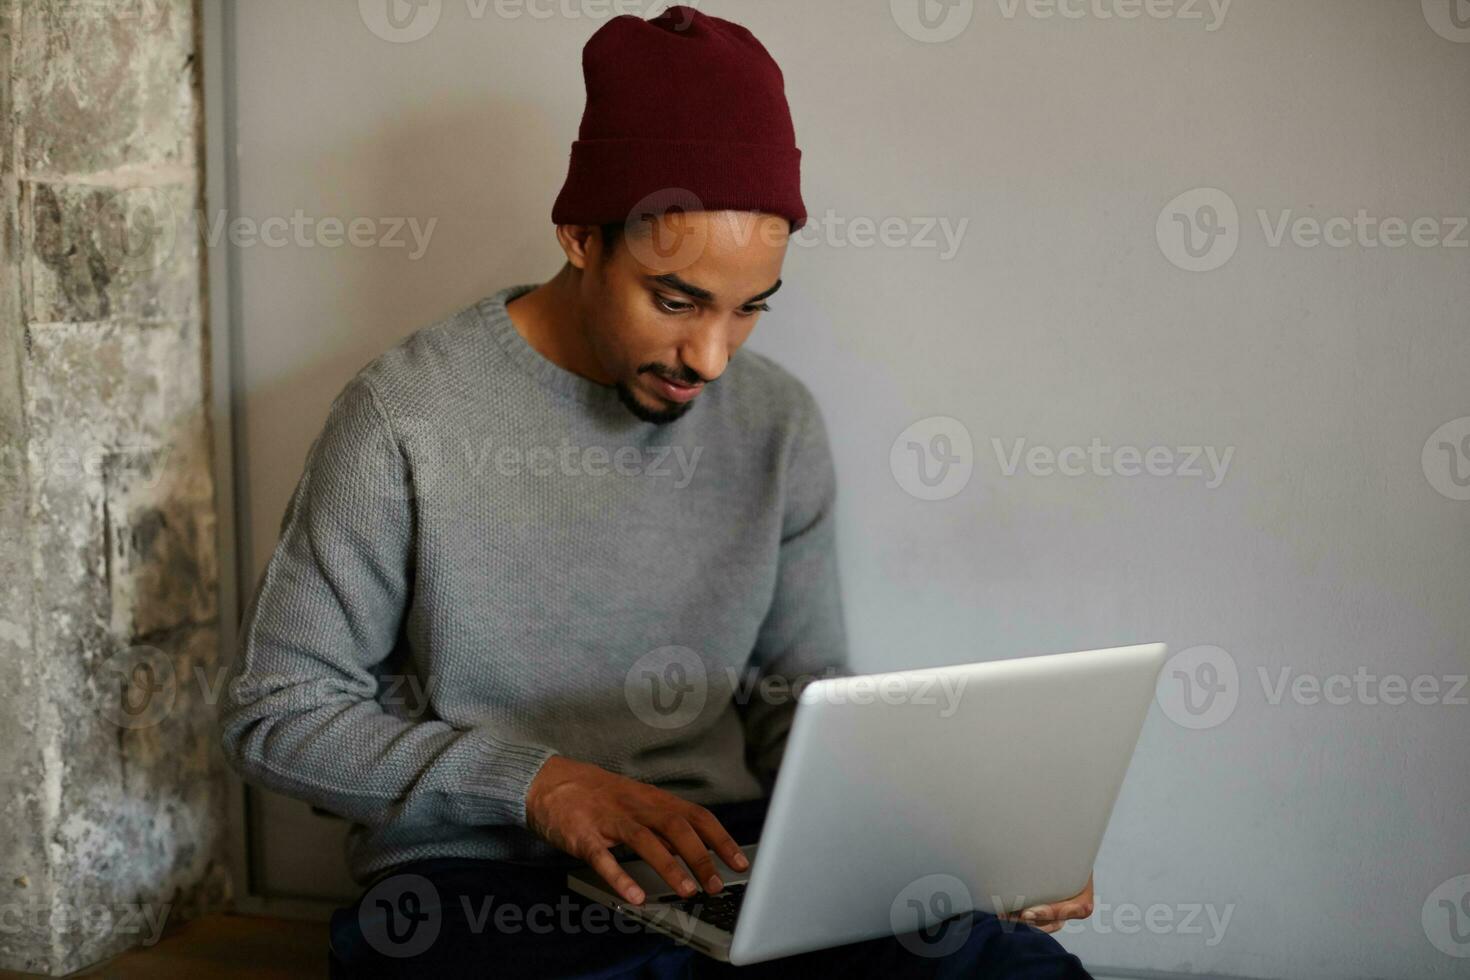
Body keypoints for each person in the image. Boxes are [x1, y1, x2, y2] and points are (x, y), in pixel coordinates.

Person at [216, 7, 1094, 975]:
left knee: (1015, 967)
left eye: (748, 308)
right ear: (580, 235)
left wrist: (939, 831)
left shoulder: (778, 422)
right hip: (484, 872)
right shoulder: (403, 415)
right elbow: (278, 712)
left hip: (723, 847)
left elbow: (792, 696)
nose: (710, 357)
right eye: (675, 300)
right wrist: (538, 783)